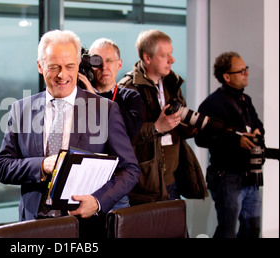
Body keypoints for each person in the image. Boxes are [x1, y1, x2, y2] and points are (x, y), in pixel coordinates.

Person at [0, 30, 140, 236]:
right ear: (40, 66)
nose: (62, 75)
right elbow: (3, 167)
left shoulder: (104, 109)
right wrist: (42, 165)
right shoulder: (21, 110)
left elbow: (130, 169)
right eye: (54, 67)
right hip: (33, 227)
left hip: (85, 227)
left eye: (70, 66)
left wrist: (97, 201)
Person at [118, 29, 204, 205]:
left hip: (173, 180)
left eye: (171, 54)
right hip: (145, 187)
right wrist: (156, 127)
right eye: (165, 55)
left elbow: (176, 126)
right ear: (147, 58)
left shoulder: (172, 83)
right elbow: (122, 136)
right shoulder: (127, 89)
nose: (172, 60)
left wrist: (188, 128)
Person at [195, 52, 264, 238]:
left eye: (246, 69)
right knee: (227, 232)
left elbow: (257, 125)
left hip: (250, 177)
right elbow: (201, 139)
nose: (246, 73)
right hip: (227, 177)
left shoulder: (245, 100)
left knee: (253, 229)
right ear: (227, 77)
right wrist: (236, 141)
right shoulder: (212, 104)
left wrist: (258, 133)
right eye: (241, 71)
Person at [78, 38, 143, 141]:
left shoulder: (130, 97)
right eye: (97, 61)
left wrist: (94, 98)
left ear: (119, 64)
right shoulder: (79, 95)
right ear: (90, 64)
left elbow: (130, 131)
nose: (104, 67)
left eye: (109, 61)